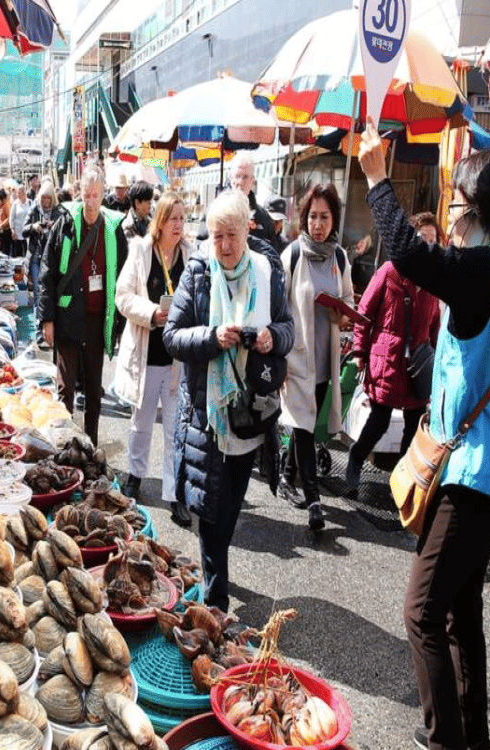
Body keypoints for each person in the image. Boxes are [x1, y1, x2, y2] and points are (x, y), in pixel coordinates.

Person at [359, 123, 490, 750]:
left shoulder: (484, 269)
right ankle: (472, 737)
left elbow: (411, 256)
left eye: (457, 203)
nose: (452, 216)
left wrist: (377, 178)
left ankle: (445, 741)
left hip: (473, 472)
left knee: (422, 612)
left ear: (480, 212)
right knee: (462, 612)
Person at [164, 189, 294, 610]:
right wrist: (211, 337)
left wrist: (273, 337)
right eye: (216, 235)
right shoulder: (199, 272)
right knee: (211, 509)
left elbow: (288, 328)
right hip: (210, 413)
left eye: (231, 235)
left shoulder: (265, 270)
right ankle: (216, 599)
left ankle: (216, 576)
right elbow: (172, 336)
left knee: (232, 505)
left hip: (251, 412)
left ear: (247, 229)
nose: (223, 246)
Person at [113, 192, 195, 527]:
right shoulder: (140, 251)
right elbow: (122, 297)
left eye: (182, 218)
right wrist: (151, 313)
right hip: (147, 355)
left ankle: (174, 494)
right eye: (173, 218)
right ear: (160, 222)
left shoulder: (191, 255)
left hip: (176, 361)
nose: (179, 225)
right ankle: (135, 475)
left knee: (176, 429)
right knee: (141, 423)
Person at [346, 214, 442, 493]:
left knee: (413, 426)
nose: (427, 245)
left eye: (433, 240)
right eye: (422, 239)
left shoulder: (436, 280)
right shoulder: (389, 271)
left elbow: (435, 324)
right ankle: (356, 457)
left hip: (418, 365)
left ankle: (400, 481)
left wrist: (436, 360)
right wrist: (359, 350)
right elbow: (364, 313)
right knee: (379, 420)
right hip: (387, 360)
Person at [278, 183, 354, 530]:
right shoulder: (293, 255)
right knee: (305, 429)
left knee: (304, 424)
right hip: (297, 360)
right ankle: (314, 501)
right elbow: (278, 308)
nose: (318, 224)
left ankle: (286, 475)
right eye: (312, 217)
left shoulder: (340, 258)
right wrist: (279, 357)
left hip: (325, 362)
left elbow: (349, 298)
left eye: (324, 217)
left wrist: (343, 313)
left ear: (334, 219)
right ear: (304, 219)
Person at [39, 166, 128, 445]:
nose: (90, 202)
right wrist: (47, 319)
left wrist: (120, 325)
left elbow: (124, 279)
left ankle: (90, 448)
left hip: (97, 321)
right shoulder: (64, 224)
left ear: (103, 196)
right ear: (79, 194)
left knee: (93, 392)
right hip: (67, 316)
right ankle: (64, 446)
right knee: (64, 390)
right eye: (86, 195)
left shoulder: (113, 230)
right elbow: (47, 272)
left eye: (95, 196)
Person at [23, 182, 62, 343]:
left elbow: (66, 234)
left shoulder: (58, 212)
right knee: (38, 293)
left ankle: (49, 326)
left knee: (50, 292)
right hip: (36, 257)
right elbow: (24, 230)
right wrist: (34, 227)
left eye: (48, 198)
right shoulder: (34, 210)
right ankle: (38, 329)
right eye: (43, 198)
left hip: (52, 259)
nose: (46, 201)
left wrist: (55, 228)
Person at [230, 153, 282, 251]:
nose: (240, 182)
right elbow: (202, 245)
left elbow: (272, 252)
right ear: (230, 178)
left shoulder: (263, 216)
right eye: (237, 176)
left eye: (245, 177)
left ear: (252, 181)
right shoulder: (215, 211)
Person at [10, 186, 31, 259]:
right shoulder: (15, 204)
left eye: (19, 193)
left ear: (24, 193)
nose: (18, 195)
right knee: (17, 256)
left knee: (26, 255)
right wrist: (12, 230)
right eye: (17, 193)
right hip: (17, 234)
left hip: (27, 234)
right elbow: (12, 218)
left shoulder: (30, 203)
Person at [0, 188, 12, 254]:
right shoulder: (3, 205)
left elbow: (9, 218)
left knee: (5, 250)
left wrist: (2, 225)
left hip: (6, 231)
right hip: (3, 230)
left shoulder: (6, 205)